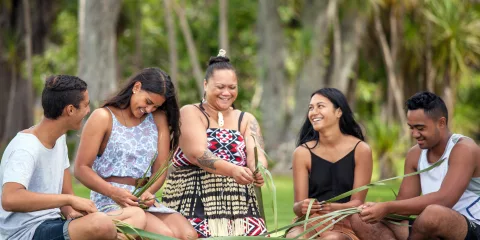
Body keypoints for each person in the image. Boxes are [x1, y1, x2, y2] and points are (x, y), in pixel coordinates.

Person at [0, 75, 146, 240]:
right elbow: (10, 198)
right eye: (86, 105)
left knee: (136, 215)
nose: (88, 111)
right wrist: (70, 200)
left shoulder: (59, 139)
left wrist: (72, 211)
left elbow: (66, 194)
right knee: (102, 224)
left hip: (54, 223)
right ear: (70, 110)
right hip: (26, 233)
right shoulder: (26, 147)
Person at [74, 67, 196, 240]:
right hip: (111, 198)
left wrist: (149, 192)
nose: (149, 109)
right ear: (136, 87)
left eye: (155, 106)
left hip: (144, 197)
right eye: (147, 102)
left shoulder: (157, 118)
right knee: (165, 236)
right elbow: (81, 168)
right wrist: (113, 192)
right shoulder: (103, 117)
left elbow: (160, 170)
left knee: (188, 235)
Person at [161, 49, 267, 237]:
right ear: (205, 84)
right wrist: (233, 170)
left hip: (239, 206)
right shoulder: (190, 112)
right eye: (220, 87)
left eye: (232, 87)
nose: (226, 92)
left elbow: (255, 152)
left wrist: (258, 169)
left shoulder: (246, 119)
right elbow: (198, 154)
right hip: (193, 202)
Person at [352, 91, 480, 240]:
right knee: (360, 218)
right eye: (411, 128)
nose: (414, 134)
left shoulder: (464, 149)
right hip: (429, 225)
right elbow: (402, 207)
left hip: (471, 225)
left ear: (441, 123)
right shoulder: (415, 154)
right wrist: (376, 209)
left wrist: (387, 207)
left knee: (433, 214)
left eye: (420, 128)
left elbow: (444, 200)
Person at [284, 88, 373, 240]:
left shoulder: (361, 150)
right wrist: (302, 206)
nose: (313, 112)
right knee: (296, 237)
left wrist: (331, 208)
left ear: (339, 112)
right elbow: (298, 207)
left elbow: (357, 203)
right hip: (310, 222)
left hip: (344, 222)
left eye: (320, 106)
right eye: (311, 108)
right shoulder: (302, 152)